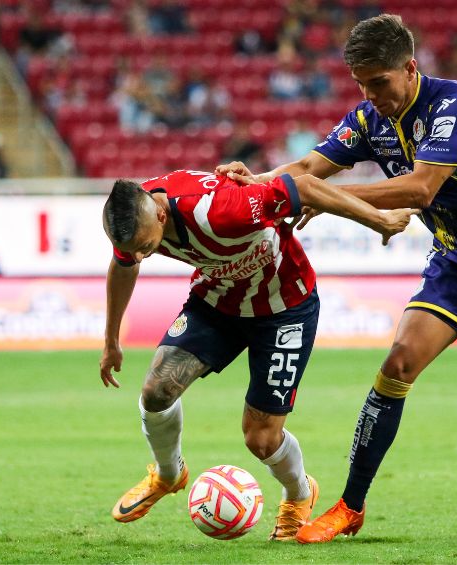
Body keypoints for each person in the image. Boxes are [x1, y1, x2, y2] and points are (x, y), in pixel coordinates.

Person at [217, 14, 457, 542]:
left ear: (410, 68)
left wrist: (327, 200)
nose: (371, 94)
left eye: (379, 83)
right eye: (361, 84)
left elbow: (421, 189)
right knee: (396, 364)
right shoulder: (368, 118)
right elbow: (311, 168)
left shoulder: (455, 103)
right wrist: (260, 181)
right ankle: (349, 507)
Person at [99, 168, 418, 541]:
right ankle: (169, 474)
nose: (139, 254)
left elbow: (304, 186)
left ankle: (299, 494)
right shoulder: (132, 218)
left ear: (162, 215)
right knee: (156, 390)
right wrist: (111, 339)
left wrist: (377, 219)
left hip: (284, 307)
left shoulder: (221, 210)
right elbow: (124, 265)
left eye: (145, 246)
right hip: (217, 301)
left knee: (261, 440)